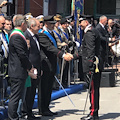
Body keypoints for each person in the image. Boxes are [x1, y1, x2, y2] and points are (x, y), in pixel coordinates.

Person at [38, 15, 73, 116]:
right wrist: (62, 55)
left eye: (54, 24)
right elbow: (49, 48)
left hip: (52, 63)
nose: (53, 25)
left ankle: (46, 107)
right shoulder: (42, 34)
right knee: (44, 88)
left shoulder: (51, 33)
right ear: (46, 24)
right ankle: (42, 109)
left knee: (49, 87)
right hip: (45, 64)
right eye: (51, 24)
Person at [8, 14, 37, 120]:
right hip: (17, 70)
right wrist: (30, 67)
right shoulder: (16, 35)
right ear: (23, 24)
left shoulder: (18, 35)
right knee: (15, 97)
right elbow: (22, 54)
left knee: (18, 96)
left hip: (19, 70)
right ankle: (13, 117)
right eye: (26, 24)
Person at [76, 16, 101, 120]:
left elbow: (90, 49)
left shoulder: (90, 33)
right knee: (92, 90)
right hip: (92, 64)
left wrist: (90, 64)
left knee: (93, 90)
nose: (80, 25)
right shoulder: (92, 31)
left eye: (81, 22)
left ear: (86, 22)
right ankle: (93, 110)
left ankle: (93, 113)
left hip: (91, 66)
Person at [22, 18, 41, 120]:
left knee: (33, 91)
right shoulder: (26, 36)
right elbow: (26, 54)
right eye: (38, 26)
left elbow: (38, 53)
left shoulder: (36, 36)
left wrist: (39, 67)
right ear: (31, 26)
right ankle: (25, 112)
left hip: (36, 67)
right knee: (28, 91)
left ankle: (30, 112)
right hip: (30, 68)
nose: (39, 28)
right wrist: (29, 68)